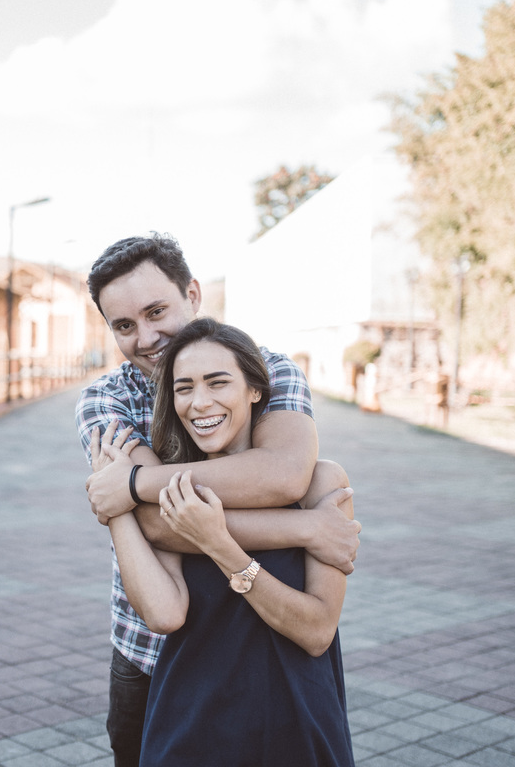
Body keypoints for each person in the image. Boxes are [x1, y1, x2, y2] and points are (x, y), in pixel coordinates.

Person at [75, 233, 359, 766]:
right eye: (124, 325)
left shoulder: (267, 368)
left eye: (157, 310)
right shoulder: (106, 399)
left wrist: (133, 486)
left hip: (277, 666)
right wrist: (303, 530)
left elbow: (285, 475)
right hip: (151, 655)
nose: (147, 337)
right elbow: (161, 529)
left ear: (193, 295)